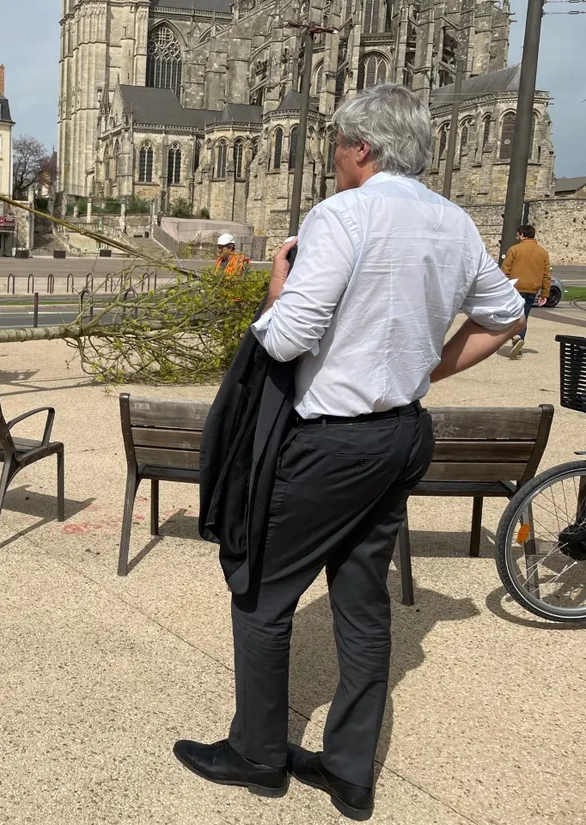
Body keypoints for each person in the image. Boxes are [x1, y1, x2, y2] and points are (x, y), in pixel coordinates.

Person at [173, 85, 525, 821]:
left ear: (361, 148)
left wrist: (275, 288)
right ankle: (349, 769)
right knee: (361, 601)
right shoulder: (455, 222)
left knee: (262, 594)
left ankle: (259, 755)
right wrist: (422, 367)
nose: (333, 159)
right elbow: (506, 312)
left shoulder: (343, 213)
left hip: (333, 443)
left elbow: (290, 333)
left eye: (337, 146)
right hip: (402, 433)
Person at [501, 224, 551, 359]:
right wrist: (545, 293)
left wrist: (502, 287)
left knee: (508, 315)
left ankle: (515, 337)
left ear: (522, 235)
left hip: (515, 287)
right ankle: (518, 340)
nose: (517, 237)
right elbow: (546, 275)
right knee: (524, 317)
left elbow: (505, 270)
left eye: (518, 235)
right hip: (532, 289)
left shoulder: (514, 250)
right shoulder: (543, 252)